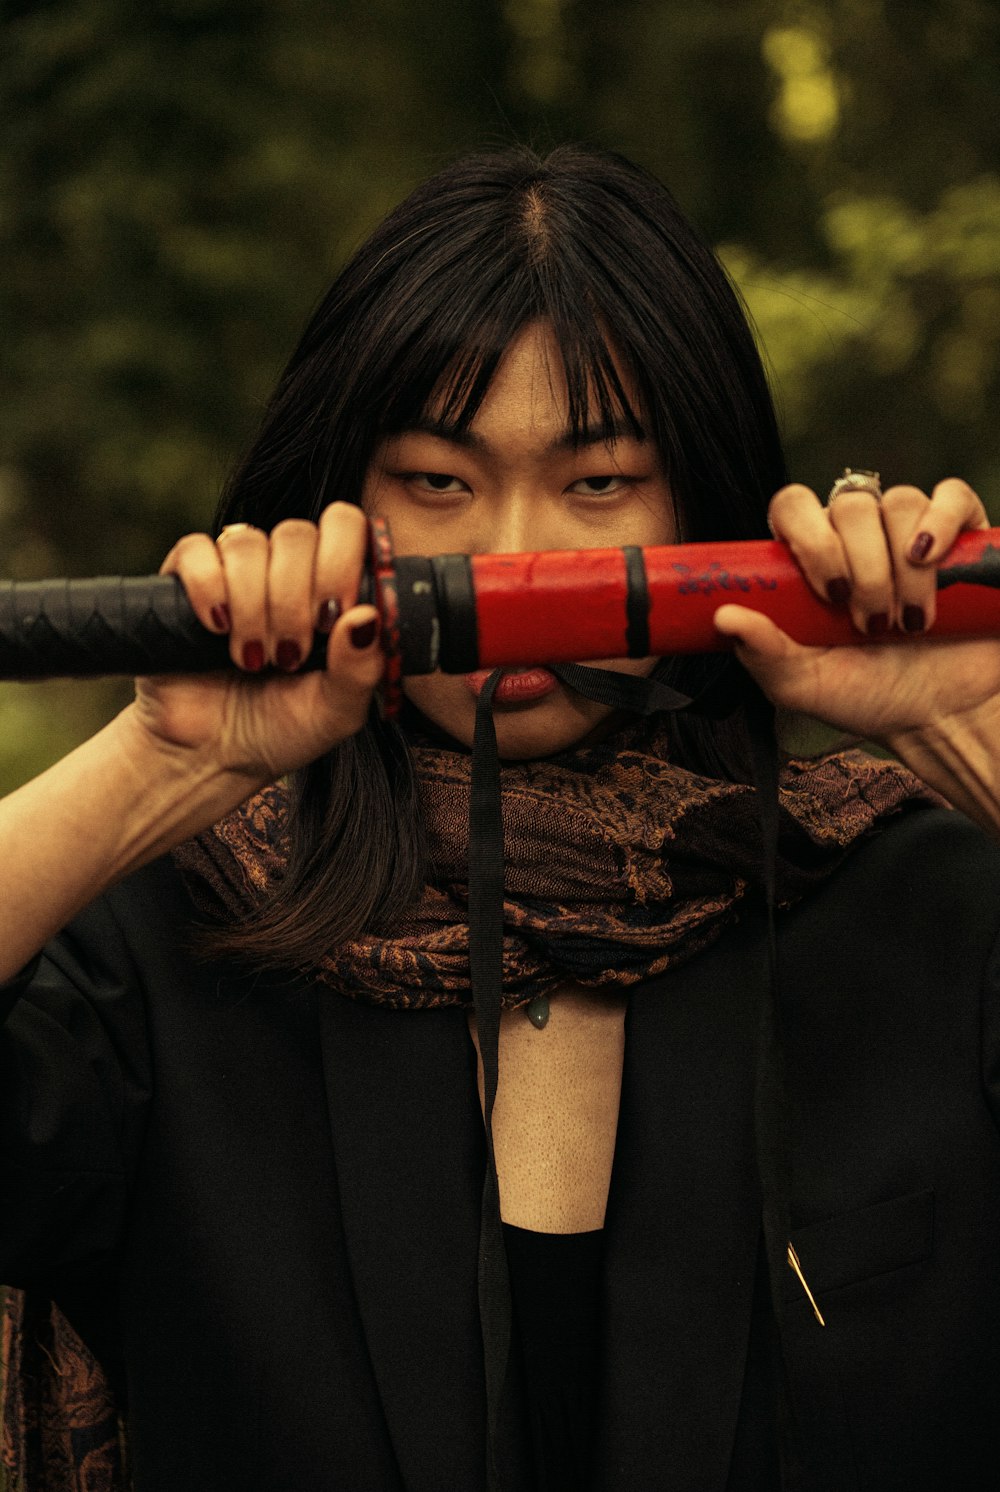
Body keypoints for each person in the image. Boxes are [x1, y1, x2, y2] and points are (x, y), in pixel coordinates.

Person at [3, 144, 1000, 1492]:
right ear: (342, 509)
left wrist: (965, 729)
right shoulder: (173, 940)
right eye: (437, 482)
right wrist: (161, 767)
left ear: (700, 502)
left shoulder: (918, 906)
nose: (513, 557)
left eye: (598, 484)